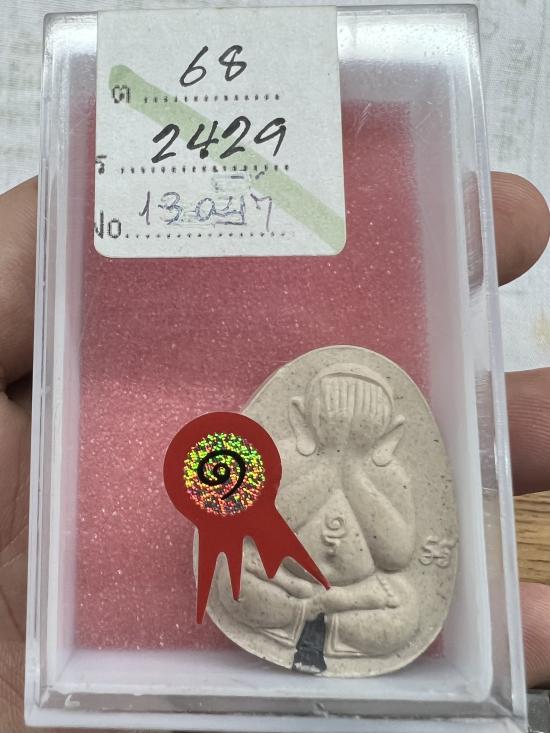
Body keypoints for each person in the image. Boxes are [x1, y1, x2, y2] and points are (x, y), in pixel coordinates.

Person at [0, 174, 548, 729]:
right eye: (329, 430)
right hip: (283, 582)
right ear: (303, 421)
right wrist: (325, 470)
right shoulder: (285, 456)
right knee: (233, 573)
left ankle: (324, 623)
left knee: (405, 603)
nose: (342, 444)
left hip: (355, 595)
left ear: (387, 436)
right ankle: (298, 618)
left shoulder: (390, 477)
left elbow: (396, 551)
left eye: (360, 436)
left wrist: (355, 476)